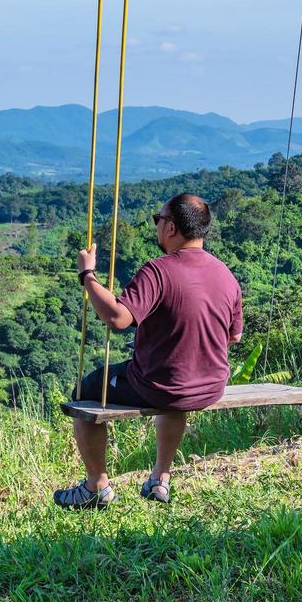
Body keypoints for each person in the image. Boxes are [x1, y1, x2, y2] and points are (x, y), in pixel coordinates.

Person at [54, 192, 242, 508]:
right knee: (174, 391)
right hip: (210, 387)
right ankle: (160, 478)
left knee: (85, 394)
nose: (156, 226)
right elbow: (233, 337)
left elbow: (117, 318)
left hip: (160, 386)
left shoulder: (159, 271)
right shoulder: (225, 274)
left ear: (170, 227)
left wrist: (87, 275)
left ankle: (95, 487)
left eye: (158, 219)